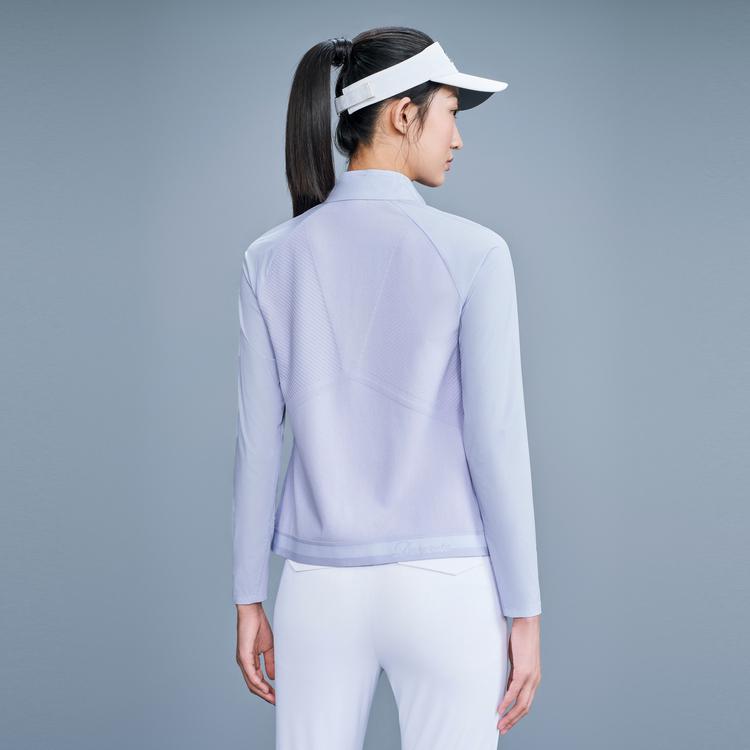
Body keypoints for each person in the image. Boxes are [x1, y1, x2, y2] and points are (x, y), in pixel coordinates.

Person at [232, 25, 542, 750]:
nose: (457, 138)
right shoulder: (477, 254)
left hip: (316, 588)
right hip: (447, 586)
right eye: (451, 113)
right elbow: (494, 442)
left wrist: (248, 595)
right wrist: (524, 610)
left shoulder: (269, 258)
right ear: (404, 114)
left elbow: (256, 442)